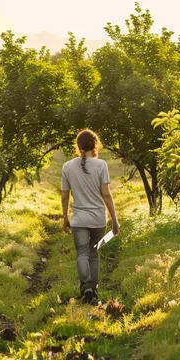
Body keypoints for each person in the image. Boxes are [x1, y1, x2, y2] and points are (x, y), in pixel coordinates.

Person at [61, 129, 120, 304]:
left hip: (79, 219)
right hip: (98, 219)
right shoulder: (101, 165)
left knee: (82, 253)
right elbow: (106, 194)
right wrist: (114, 220)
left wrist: (65, 217)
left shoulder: (67, 167)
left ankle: (86, 287)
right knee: (93, 254)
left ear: (78, 146)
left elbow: (65, 195)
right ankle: (93, 290)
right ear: (95, 145)